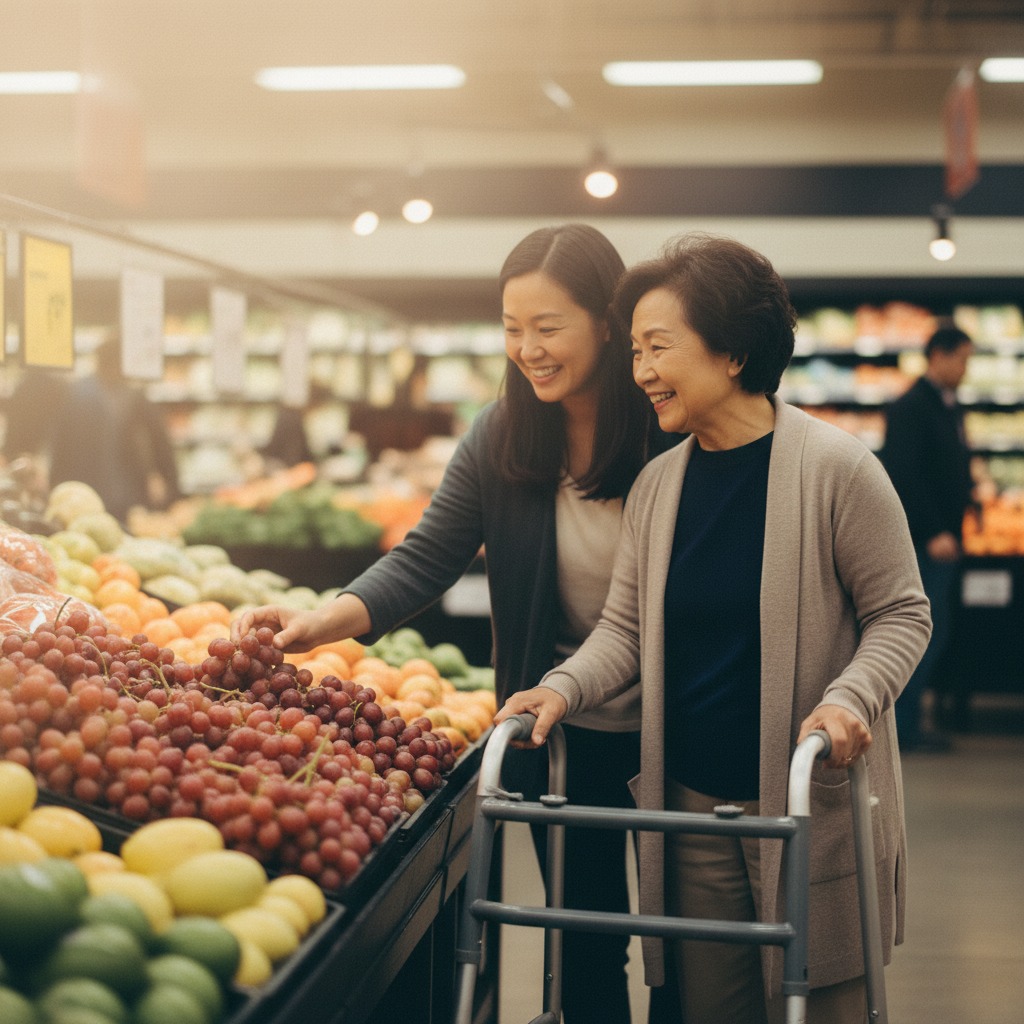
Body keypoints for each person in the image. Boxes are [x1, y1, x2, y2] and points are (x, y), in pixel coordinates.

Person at [233, 224, 676, 1024]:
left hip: (676, 723)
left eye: (548, 328)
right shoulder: (502, 435)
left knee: (683, 949)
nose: (528, 350)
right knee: (584, 944)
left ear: (607, 323)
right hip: (554, 729)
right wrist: (321, 620)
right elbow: (425, 558)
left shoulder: (665, 430)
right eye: (512, 329)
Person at [495, 232, 932, 1024]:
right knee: (712, 1008)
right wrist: (560, 689)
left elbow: (901, 611)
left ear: (731, 351)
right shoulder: (661, 485)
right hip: (690, 807)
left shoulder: (838, 469)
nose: (641, 373)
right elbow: (624, 630)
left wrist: (850, 700)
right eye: (635, 351)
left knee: (823, 998)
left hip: (807, 800)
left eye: (658, 348)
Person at [881, 324, 975, 753]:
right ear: (938, 355)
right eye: (962, 359)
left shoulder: (946, 405)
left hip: (946, 539)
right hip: (924, 542)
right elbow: (904, 476)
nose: (965, 368)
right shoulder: (911, 406)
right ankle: (901, 726)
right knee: (916, 632)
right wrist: (934, 530)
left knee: (935, 633)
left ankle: (912, 720)